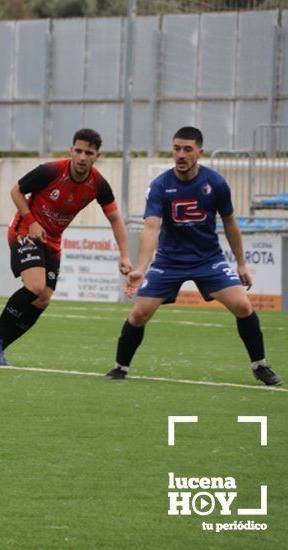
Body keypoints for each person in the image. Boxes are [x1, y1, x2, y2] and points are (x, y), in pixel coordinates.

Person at [107, 127, 282, 386]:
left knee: (243, 306)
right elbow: (151, 228)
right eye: (176, 148)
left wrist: (241, 263)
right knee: (139, 314)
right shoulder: (159, 186)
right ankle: (120, 368)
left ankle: (260, 366)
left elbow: (231, 224)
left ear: (199, 152)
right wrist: (141, 267)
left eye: (187, 149)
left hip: (208, 260)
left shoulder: (216, 184)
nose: (180, 154)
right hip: (169, 261)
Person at [0, 128, 132, 365]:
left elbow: (115, 219)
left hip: (52, 240)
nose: (83, 157)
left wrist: (125, 255)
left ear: (97, 156)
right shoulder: (51, 171)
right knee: (35, 286)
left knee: (43, 299)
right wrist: (31, 221)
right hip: (25, 231)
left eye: (89, 153)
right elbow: (16, 191)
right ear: (72, 150)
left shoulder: (98, 184)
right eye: (79, 151)